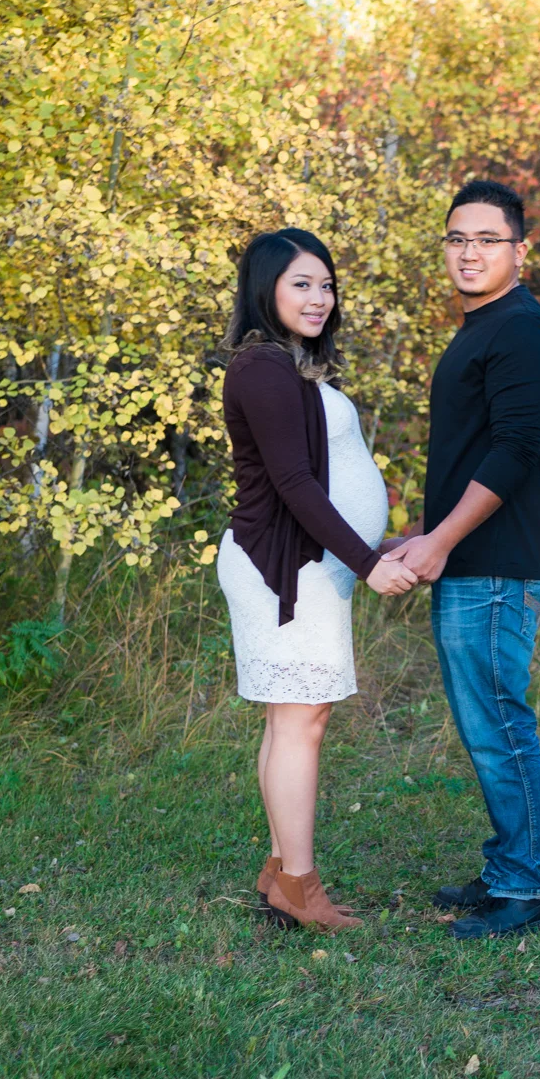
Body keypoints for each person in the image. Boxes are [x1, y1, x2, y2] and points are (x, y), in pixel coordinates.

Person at [382, 179, 540, 940]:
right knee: (486, 723)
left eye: (488, 240)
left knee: (499, 726)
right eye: (458, 238)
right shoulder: (486, 327)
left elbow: (515, 452)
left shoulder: (520, 329)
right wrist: (423, 535)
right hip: (476, 556)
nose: (470, 252)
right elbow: (474, 455)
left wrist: (440, 542)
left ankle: (527, 888)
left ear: (520, 251)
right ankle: (507, 869)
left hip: (499, 562)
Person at [218, 227, 418, 933]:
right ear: (265, 288)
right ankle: (300, 887)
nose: (319, 297)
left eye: (326, 285)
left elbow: (323, 476)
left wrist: (374, 543)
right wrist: (368, 563)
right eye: (301, 283)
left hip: (310, 564)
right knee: (300, 720)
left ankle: (281, 873)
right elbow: (294, 483)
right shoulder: (262, 367)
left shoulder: (293, 364)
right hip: (284, 571)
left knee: (296, 718)